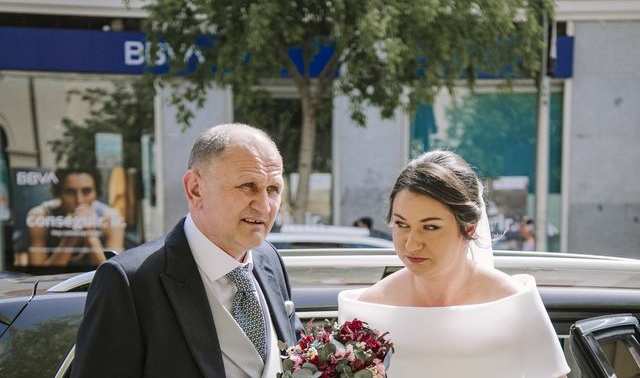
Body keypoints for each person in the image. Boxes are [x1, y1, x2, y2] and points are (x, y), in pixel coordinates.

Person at [72, 123, 302, 378]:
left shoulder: (269, 260)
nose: (264, 206)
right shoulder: (130, 283)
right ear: (195, 189)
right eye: (248, 185)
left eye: (273, 189)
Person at [339, 150, 569, 377]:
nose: (411, 244)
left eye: (430, 227)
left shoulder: (513, 301)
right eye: (401, 224)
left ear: (469, 228)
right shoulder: (367, 308)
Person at [26, 168, 125, 267]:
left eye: (86, 191)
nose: (79, 200)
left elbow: (114, 273)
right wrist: (70, 236)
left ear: (96, 193)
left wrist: (91, 237)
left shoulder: (111, 218)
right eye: (70, 192)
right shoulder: (40, 216)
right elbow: (39, 274)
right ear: (59, 194)